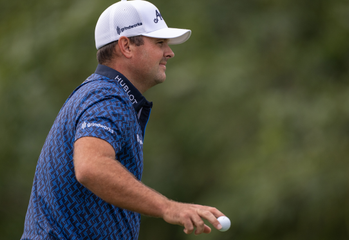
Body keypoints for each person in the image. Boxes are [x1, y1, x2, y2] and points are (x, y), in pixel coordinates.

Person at [21, 0, 226, 239]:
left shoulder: (105, 93)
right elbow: (90, 167)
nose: (169, 52)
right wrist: (169, 207)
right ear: (126, 46)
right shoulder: (107, 96)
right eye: (159, 43)